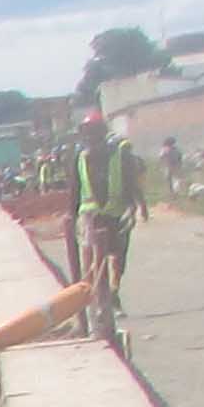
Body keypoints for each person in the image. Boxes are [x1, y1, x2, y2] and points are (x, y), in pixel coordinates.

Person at [73, 111, 147, 308]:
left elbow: (130, 182)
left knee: (118, 257)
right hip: (91, 215)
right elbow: (75, 189)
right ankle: (96, 299)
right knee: (92, 258)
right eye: (87, 132)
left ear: (102, 133)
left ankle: (113, 291)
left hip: (116, 213)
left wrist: (135, 206)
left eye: (95, 132)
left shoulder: (119, 155)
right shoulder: (80, 157)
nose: (91, 137)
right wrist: (72, 218)